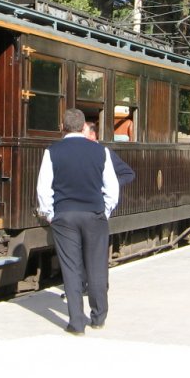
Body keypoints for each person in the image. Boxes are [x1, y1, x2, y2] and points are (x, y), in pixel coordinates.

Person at [37, 109, 119, 335]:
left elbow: (44, 188)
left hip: (65, 216)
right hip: (94, 214)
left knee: (71, 269)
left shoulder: (52, 151)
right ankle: (99, 317)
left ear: (63, 126)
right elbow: (112, 187)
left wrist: (50, 214)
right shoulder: (100, 151)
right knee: (97, 266)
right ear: (84, 127)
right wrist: (105, 211)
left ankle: (76, 323)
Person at [83, 121, 135, 186]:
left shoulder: (105, 152)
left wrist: (109, 186)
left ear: (92, 135)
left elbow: (128, 174)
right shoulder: (78, 151)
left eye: (82, 131)